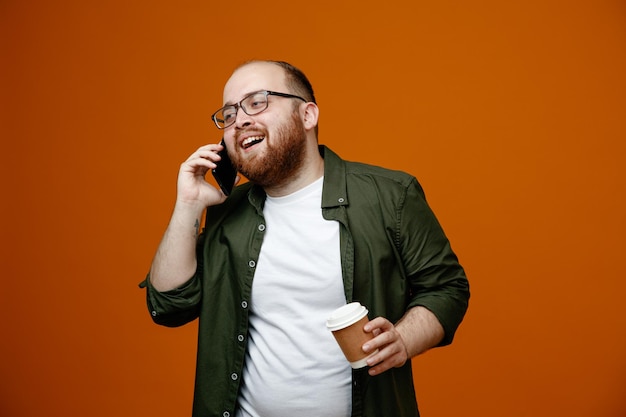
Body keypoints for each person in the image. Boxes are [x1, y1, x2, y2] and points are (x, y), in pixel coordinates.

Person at [140, 60, 470, 417]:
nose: (240, 120)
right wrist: (188, 204)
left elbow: (447, 288)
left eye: (258, 102)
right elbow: (169, 306)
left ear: (308, 115)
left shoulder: (390, 196)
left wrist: (403, 339)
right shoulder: (227, 212)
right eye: (230, 113)